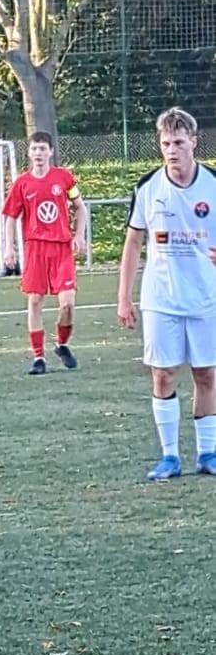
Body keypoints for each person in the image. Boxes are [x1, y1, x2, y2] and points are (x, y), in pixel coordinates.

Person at [116, 107, 216, 482]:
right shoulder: (148, 188)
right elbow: (132, 243)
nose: (171, 150)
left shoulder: (213, 185)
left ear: (194, 142)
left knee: (207, 375)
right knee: (162, 375)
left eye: (178, 142)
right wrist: (124, 297)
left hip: (206, 298)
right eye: (165, 143)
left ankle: (207, 453)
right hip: (161, 300)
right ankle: (169, 456)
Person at [2, 131, 87, 376]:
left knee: (67, 304)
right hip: (36, 248)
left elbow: (79, 207)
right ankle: (38, 357)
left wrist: (79, 235)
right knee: (35, 300)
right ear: (29, 153)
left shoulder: (64, 178)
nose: (38, 153)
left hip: (61, 248)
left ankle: (62, 344)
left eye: (42, 149)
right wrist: (9, 247)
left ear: (51, 151)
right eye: (34, 149)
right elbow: (10, 217)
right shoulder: (22, 184)